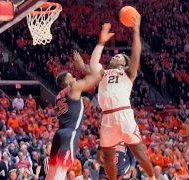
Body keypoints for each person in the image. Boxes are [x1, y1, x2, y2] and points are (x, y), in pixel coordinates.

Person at [73, 19, 154, 180]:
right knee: (108, 158)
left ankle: (152, 178)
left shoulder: (128, 72)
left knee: (138, 152)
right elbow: (93, 65)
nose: (113, 58)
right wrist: (101, 43)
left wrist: (136, 31)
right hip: (107, 117)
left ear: (124, 62)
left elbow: (136, 54)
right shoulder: (104, 73)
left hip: (123, 113)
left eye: (118, 57)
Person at [45, 62, 102, 180]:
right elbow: (97, 77)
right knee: (61, 171)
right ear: (66, 82)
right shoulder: (73, 89)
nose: (74, 77)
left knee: (52, 172)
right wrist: (83, 68)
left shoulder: (59, 96)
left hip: (59, 134)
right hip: (70, 133)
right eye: (71, 76)